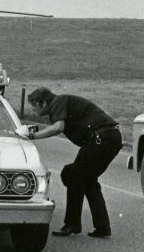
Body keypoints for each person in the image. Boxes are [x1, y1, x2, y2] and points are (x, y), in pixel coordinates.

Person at [25, 87, 122, 238]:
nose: (33, 109)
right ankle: (102, 227)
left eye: (34, 105)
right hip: (111, 138)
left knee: (74, 177)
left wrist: (34, 136)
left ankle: (72, 224)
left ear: (43, 103)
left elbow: (58, 127)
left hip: (99, 139)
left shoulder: (58, 102)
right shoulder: (62, 103)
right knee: (86, 180)